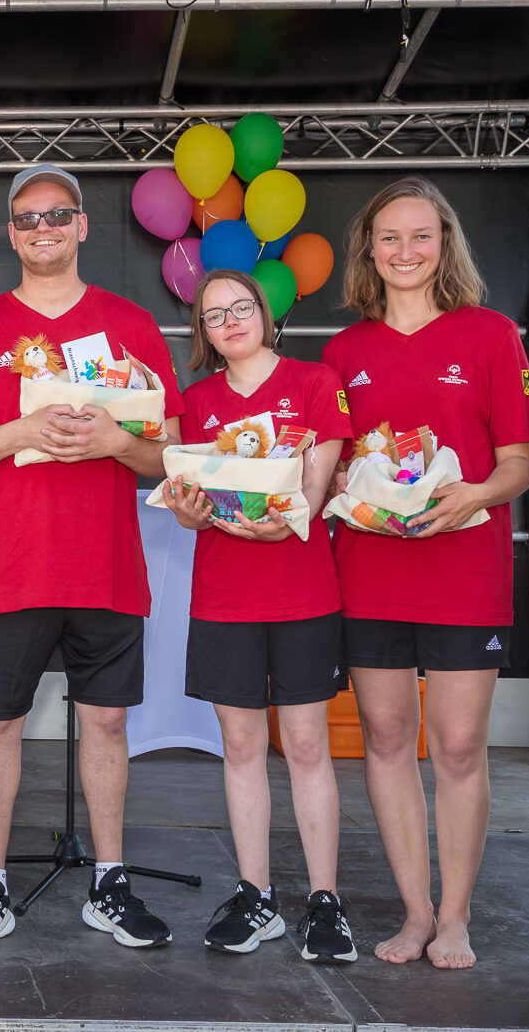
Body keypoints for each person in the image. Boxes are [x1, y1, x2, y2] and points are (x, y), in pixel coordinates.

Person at [0, 164, 183, 954]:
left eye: (57, 216)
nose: (43, 230)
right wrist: (20, 434)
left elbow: (169, 453)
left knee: (106, 722)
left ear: (82, 226)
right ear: (11, 233)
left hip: (104, 566)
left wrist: (116, 440)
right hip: (7, 569)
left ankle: (110, 881)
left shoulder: (132, 326)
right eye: (28, 219)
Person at [319, 176, 529, 970]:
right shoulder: (345, 351)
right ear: (368, 250)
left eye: (421, 235)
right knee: (385, 737)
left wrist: (474, 492)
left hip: (463, 567)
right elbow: (334, 468)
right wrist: (346, 489)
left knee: (457, 745)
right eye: (389, 237)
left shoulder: (491, 334)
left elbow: (518, 462)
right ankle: (414, 912)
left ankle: (456, 915)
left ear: (445, 243)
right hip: (370, 568)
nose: (405, 251)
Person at [159, 268, 356, 963]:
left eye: (241, 307)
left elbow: (311, 487)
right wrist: (187, 509)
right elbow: (189, 497)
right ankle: (256, 894)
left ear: (265, 313)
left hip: (304, 596)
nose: (231, 321)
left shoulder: (315, 382)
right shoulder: (197, 399)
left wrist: (284, 513)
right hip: (224, 597)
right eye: (215, 315)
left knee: (306, 746)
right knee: (240, 748)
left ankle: (324, 901)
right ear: (203, 334)